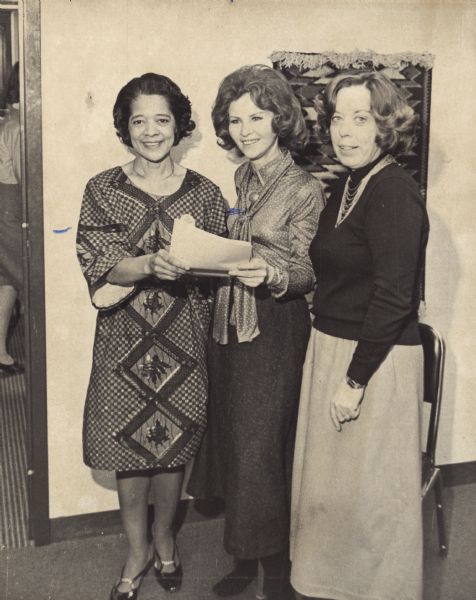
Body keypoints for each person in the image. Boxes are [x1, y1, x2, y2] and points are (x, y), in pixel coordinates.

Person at [76, 73, 227, 600]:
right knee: (128, 445)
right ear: (125, 126)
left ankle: (165, 538)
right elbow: (96, 263)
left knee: (173, 444)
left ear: (178, 125)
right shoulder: (101, 188)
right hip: (123, 343)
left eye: (161, 120)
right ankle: (136, 550)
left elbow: (218, 269)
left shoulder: (206, 193)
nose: (150, 131)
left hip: (184, 341)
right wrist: (144, 263)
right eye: (138, 120)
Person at [290, 70, 429, 600]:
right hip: (337, 348)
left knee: (371, 505)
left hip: (374, 359)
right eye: (338, 118)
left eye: (361, 118)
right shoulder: (350, 181)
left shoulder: (394, 190)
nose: (345, 132)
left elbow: (395, 297)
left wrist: (353, 380)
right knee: (338, 496)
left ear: (385, 126)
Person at [188, 65, 325, 600]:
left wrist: (272, 274)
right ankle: (247, 556)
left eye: (257, 117)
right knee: (232, 442)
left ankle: (278, 575)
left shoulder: (304, 187)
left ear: (280, 119)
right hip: (230, 319)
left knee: (261, 450)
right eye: (235, 119)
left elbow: (309, 268)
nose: (245, 129)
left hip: (273, 325)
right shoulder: (244, 176)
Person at [0, 62, 23, 375]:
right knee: (25, 278)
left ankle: (1, 352)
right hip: (13, 204)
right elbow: (25, 177)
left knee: (7, 282)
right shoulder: (19, 126)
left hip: (7, 203)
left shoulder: (12, 121)